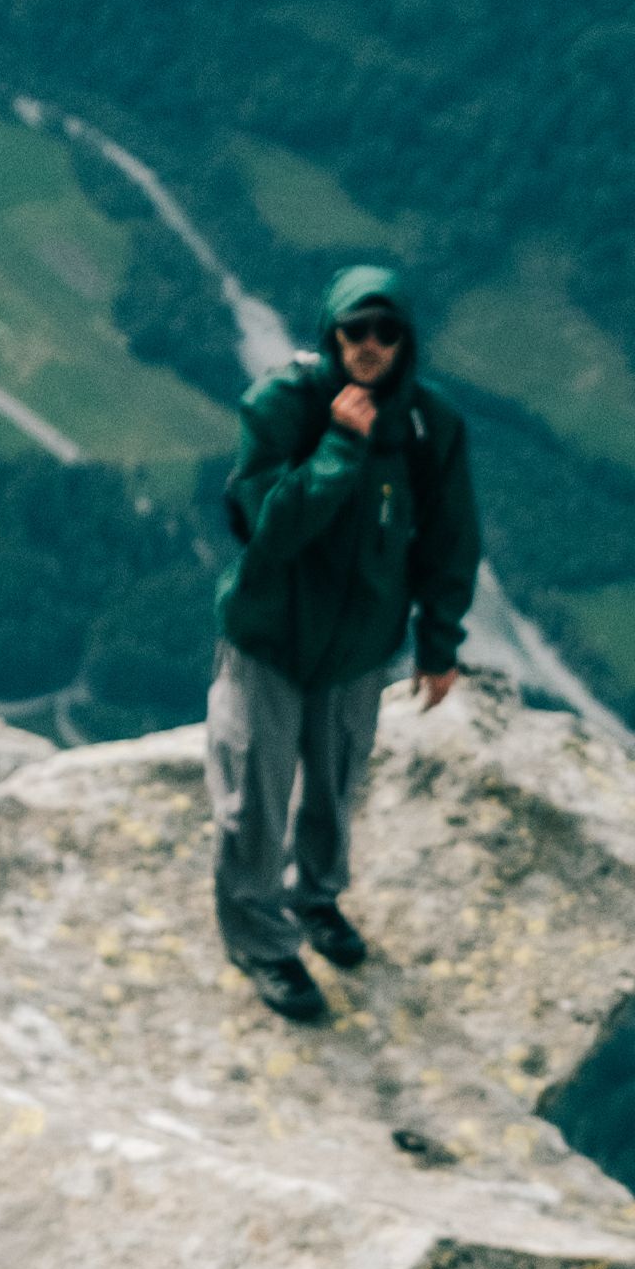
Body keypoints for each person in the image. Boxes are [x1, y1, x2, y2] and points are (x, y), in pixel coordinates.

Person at [207, 265, 481, 1023]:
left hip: (360, 646)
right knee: (255, 798)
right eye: (355, 329)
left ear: (405, 340)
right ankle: (260, 940)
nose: (369, 344)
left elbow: (451, 539)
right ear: (331, 332)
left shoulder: (428, 425)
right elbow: (269, 530)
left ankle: (315, 899)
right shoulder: (281, 405)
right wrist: (339, 447)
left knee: (335, 784)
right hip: (269, 640)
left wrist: (438, 645)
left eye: (386, 331)